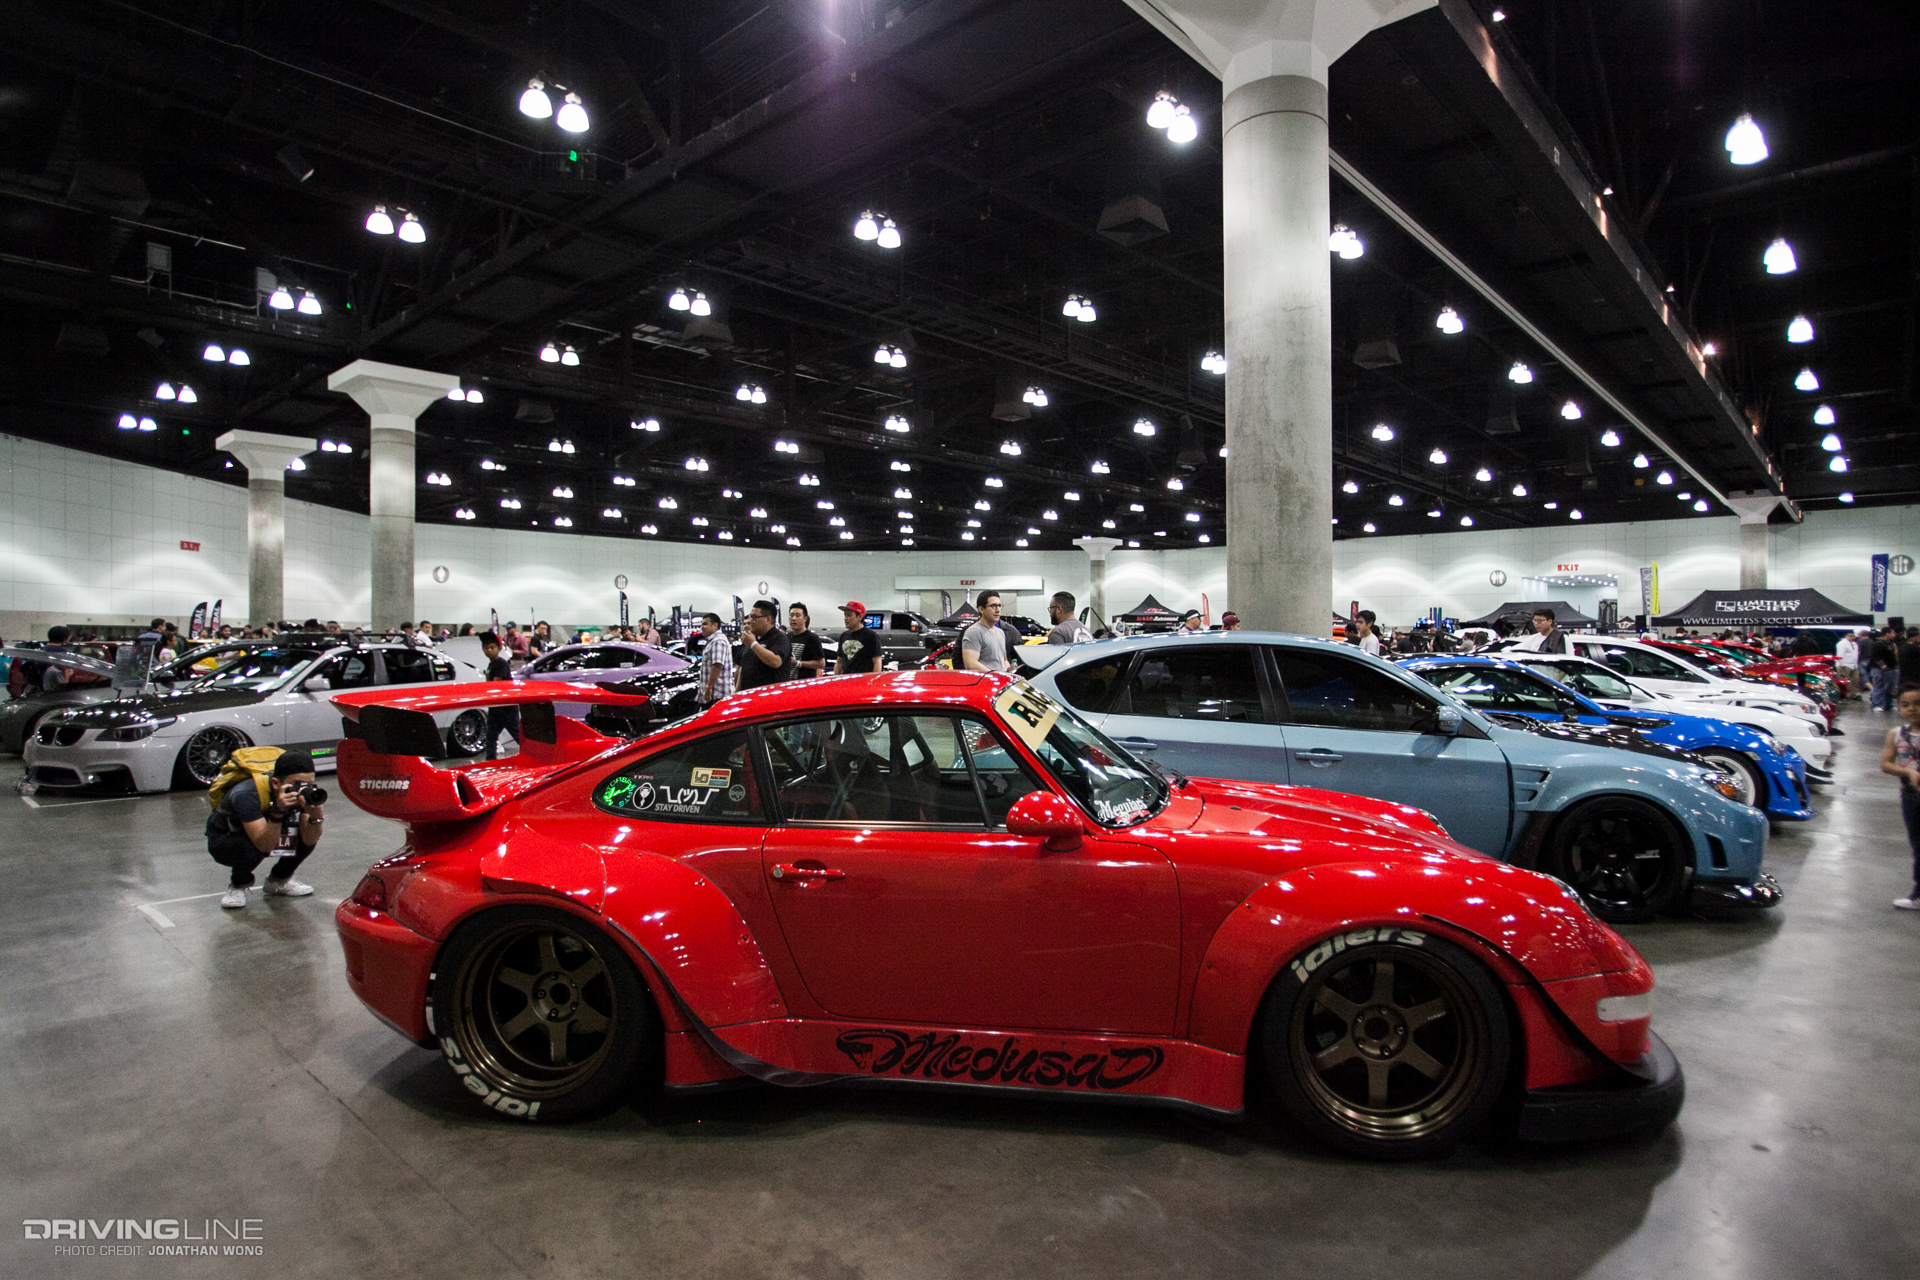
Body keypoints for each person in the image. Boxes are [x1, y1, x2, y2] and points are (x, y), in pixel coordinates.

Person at [208, 750, 325, 909]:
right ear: (276, 783)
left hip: (266, 831)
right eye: (297, 784)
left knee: (304, 834)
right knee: (250, 845)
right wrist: (279, 811)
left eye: (309, 784)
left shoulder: (303, 792)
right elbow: (263, 844)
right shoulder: (246, 795)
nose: (302, 789)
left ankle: (278, 880)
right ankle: (238, 885)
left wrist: (315, 816)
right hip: (228, 839)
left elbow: (309, 839)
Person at [1881, 684, 1920, 910]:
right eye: (1906, 705)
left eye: (1917, 704)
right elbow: (1885, 763)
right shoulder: (1896, 735)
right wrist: (1907, 772)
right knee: (1918, 846)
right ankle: (1917, 894)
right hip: (1911, 797)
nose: (1912, 709)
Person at [479, 632, 520, 759]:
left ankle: (535, 755)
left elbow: (496, 683)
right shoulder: (493, 664)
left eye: (492, 647)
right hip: (496, 706)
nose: (489, 650)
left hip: (506, 706)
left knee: (516, 733)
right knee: (491, 736)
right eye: (486, 648)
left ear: (499, 649)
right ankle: (489, 761)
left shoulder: (501, 663)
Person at [738, 600, 792, 688]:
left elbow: (776, 661)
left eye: (754, 617)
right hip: (748, 694)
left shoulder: (780, 638)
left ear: (768, 619)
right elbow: (743, 669)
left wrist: (753, 644)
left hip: (770, 696)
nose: (751, 621)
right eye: (751, 617)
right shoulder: (752, 638)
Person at [960, 590, 1014, 673]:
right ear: (981, 609)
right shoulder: (974, 632)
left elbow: (1004, 660)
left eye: (999, 606)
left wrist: (1011, 673)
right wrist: (996, 675)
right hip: (987, 683)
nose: (998, 610)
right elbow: (971, 664)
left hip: (1000, 682)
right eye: (993, 606)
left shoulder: (1000, 632)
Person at [696, 613, 736, 704]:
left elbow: (717, 666)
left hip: (718, 695)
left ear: (715, 625)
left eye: (705, 624)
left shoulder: (718, 641)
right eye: (702, 624)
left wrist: (709, 687)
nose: (702, 627)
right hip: (714, 695)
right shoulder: (712, 641)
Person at [835, 601, 884, 673]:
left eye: (849, 615)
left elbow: (877, 661)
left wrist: (873, 680)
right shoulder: (844, 636)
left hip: (863, 680)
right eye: (845, 615)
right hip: (847, 680)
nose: (846, 618)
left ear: (859, 617)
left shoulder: (870, 636)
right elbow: (839, 662)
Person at [787, 604, 825, 678]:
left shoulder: (812, 638)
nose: (794, 618)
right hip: (788, 683)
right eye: (791, 615)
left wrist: (798, 663)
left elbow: (821, 663)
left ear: (805, 618)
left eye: (798, 615)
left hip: (803, 683)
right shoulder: (787, 637)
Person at [1869, 627, 1900, 712]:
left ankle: (1888, 705)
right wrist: (1883, 666)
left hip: (1891, 668)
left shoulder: (1890, 644)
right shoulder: (1879, 644)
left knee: (1890, 688)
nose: (1894, 635)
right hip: (1880, 669)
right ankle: (1876, 705)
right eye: (1892, 633)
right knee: (1879, 686)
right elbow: (1876, 657)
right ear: (1887, 633)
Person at [1835, 630, 1862, 700]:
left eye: (1853, 636)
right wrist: (1842, 665)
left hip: (1854, 665)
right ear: (1846, 636)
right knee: (1843, 682)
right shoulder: (1842, 644)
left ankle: (1853, 695)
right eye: (1850, 636)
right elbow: (1840, 655)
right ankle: (1842, 695)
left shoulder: (1855, 644)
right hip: (1844, 665)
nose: (1852, 637)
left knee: (1855, 680)